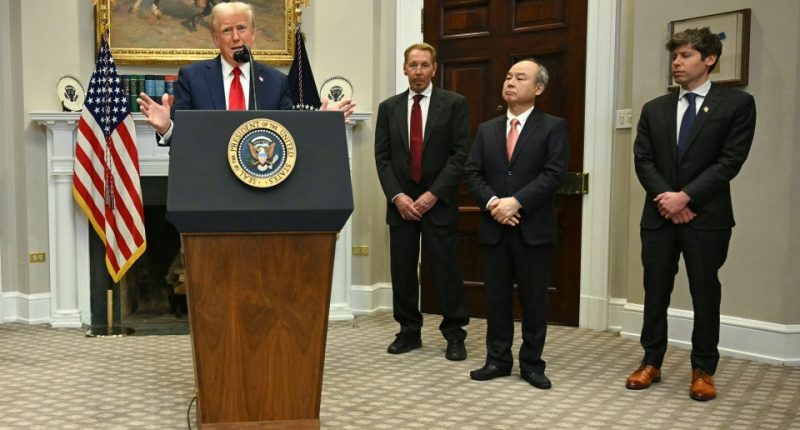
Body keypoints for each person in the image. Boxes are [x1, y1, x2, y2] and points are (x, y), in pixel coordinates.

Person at [626, 27, 756, 401]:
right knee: (655, 290)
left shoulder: (736, 105)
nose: (677, 63)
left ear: (709, 59)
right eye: (675, 56)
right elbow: (643, 160)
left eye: (685, 56)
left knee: (704, 291)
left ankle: (703, 369)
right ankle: (651, 361)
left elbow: (730, 161)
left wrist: (686, 198)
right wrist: (668, 199)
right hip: (659, 215)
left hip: (707, 217)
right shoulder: (655, 108)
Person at [464, 58, 569, 389]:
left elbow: (554, 174)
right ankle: (497, 360)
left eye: (519, 78)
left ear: (537, 88)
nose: (510, 82)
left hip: (532, 229)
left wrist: (516, 202)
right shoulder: (487, 129)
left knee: (534, 300)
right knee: (496, 299)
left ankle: (532, 363)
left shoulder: (553, 126)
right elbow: (472, 172)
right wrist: (494, 203)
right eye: (508, 76)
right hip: (495, 227)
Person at [137, 1, 354, 144]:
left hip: (262, 185)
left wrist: (322, 123)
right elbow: (181, 140)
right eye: (226, 30)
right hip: (209, 187)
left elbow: (291, 135)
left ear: (252, 34)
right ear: (215, 38)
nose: (235, 38)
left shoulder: (275, 81)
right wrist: (166, 127)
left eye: (241, 28)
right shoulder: (192, 77)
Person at [374, 42, 471, 361]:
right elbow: (383, 158)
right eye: (412, 65)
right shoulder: (389, 108)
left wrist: (432, 195)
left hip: (438, 203)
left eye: (424, 65)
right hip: (401, 205)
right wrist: (398, 196)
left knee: (446, 271)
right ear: (404, 69)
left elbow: (460, 155)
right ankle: (408, 332)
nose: (418, 71)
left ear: (434, 68)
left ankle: (455, 334)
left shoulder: (455, 104)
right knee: (402, 271)